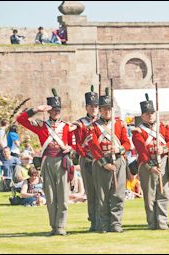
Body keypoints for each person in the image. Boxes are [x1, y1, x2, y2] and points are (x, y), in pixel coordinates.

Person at [16, 88, 74, 235]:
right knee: (50, 196)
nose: (55, 112)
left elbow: (74, 143)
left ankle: (61, 226)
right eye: (53, 110)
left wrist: (70, 148)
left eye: (57, 110)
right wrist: (36, 109)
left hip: (62, 161)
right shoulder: (41, 126)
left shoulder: (66, 126)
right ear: (48, 111)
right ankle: (53, 226)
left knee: (63, 196)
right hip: (47, 161)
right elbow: (20, 119)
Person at [87, 88, 131, 233]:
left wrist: (119, 150)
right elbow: (93, 146)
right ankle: (103, 224)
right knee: (102, 196)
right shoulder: (93, 127)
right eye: (104, 109)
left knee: (118, 194)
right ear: (100, 110)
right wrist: (104, 163)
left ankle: (116, 223)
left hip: (118, 161)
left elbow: (127, 144)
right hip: (101, 163)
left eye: (109, 109)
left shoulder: (119, 125)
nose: (107, 111)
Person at [131, 93, 169, 230]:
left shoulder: (163, 128)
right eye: (147, 113)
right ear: (142, 115)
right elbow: (142, 150)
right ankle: (152, 222)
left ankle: (162, 221)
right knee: (150, 195)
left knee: (164, 193)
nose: (150, 115)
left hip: (162, 161)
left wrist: (164, 149)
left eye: (152, 113)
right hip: (147, 164)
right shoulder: (138, 131)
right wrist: (150, 166)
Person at [73, 85, 99, 232]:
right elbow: (77, 144)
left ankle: (104, 218)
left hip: (101, 160)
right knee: (91, 191)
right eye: (91, 106)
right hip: (87, 159)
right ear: (86, 107)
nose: (94, 108)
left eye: (96, 106)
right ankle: (93, 220)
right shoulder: (80, 123)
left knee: (103, 191)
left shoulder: (104, 122)